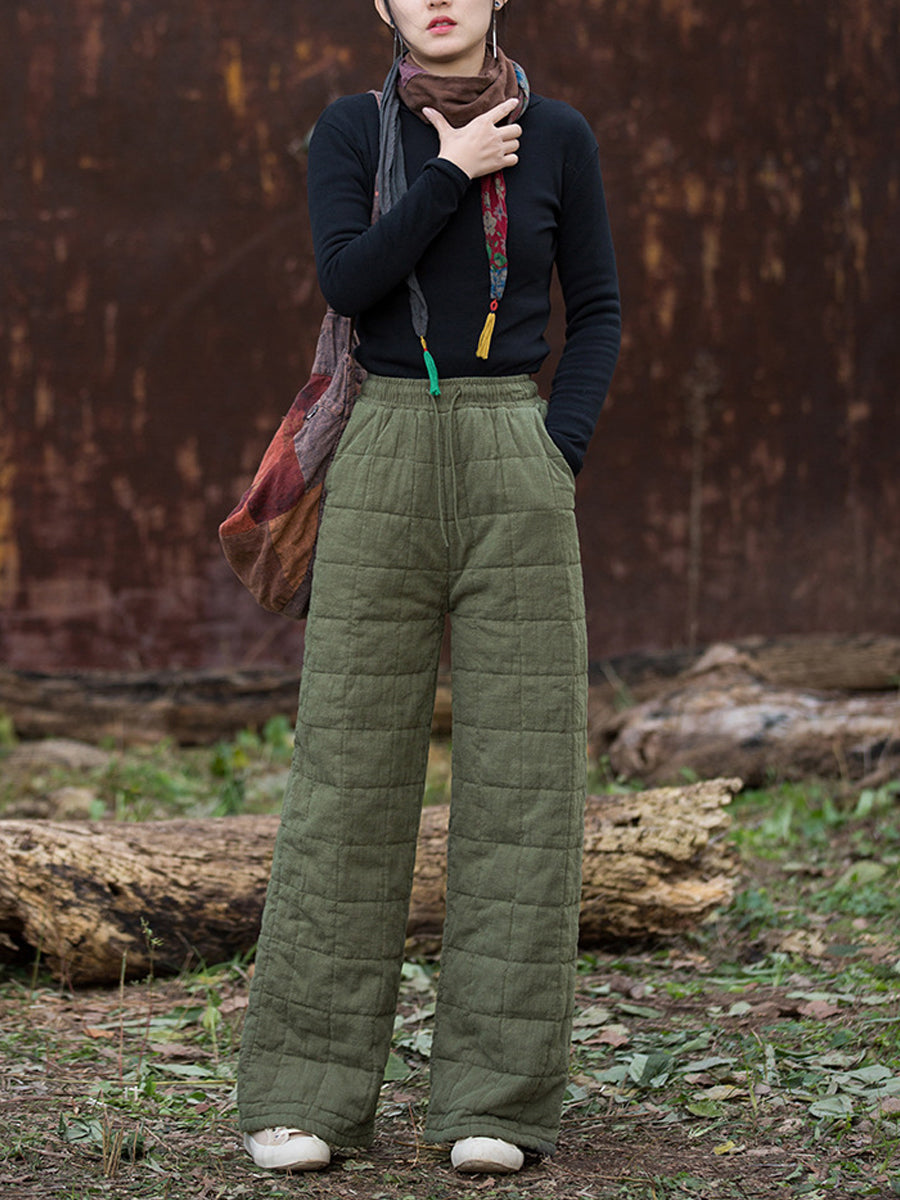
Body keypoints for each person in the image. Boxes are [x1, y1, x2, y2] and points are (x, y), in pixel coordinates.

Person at [237, 0, 620, 1176]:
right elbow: (350, 281)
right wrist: (452, 171)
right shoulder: (352, 131)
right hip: (385, 447)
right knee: (346, 774)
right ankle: (306, 1096)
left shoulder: (559, 134)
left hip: (514, 448)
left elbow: (598, 310)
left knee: (524, 777)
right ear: (384, 6)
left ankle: (494, 1102)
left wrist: (555, 450)